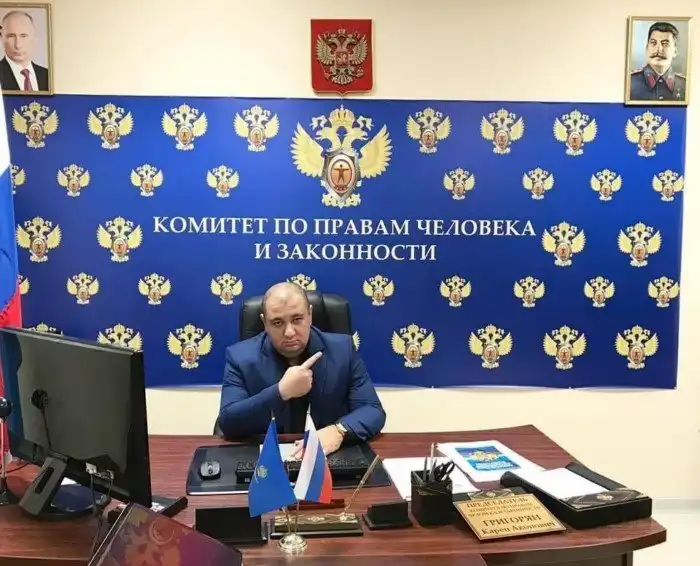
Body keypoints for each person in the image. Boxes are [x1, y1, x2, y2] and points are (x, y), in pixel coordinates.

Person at [217, 282, 386, 456]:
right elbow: (228, 422)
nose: (289, 332)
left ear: (310, 315)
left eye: (297, 319)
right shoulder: (239, 357)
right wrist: (280, 392)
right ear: (264, 322)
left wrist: (339, 430)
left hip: (328, 457)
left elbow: (372, 410)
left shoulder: (343, 350)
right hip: (266, 459)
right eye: (277, 322)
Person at [628, 21, 686, 102]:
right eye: (653, 43)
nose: (658, 49)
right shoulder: (630, 82)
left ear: (675, 51)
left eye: (665, 44)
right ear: (647, 48)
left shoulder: (685, 85)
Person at [0, 11, 49, 92]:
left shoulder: (47, 75)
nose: (17, 45)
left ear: (34, 38)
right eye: (11, 36)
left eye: (23, 36)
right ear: (2, 38)